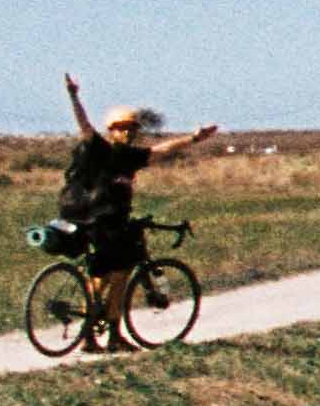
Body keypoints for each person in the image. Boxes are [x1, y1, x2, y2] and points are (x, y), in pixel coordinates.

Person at [56, 76, 221, 289]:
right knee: (122, 267)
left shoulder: (132, 156)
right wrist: (73, 95)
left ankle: (91, 313)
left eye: (131, 128)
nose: (127, 132)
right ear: (110, 130)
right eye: (121, 127)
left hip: (103, 220)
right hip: (95, 218)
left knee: (105, 268)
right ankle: (112, 319)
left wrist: (195, 138)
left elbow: (163, 149)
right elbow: (84, 124)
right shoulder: (99, 147)